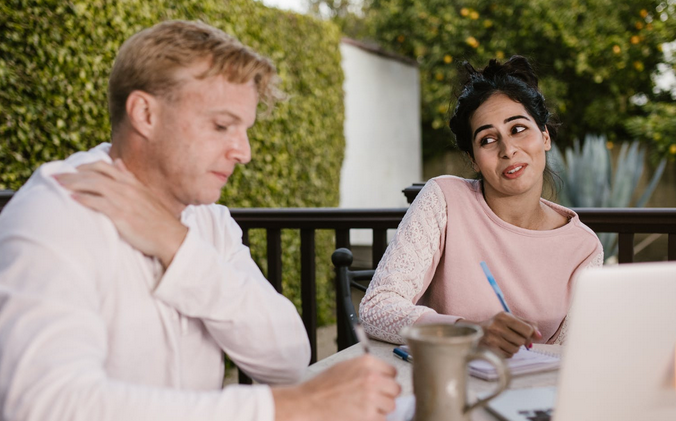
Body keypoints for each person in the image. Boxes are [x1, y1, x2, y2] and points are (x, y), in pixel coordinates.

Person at [0, 20, 399, 421]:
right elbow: (41, 406)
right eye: (222, 125)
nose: (243, 152)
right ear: (145, 113)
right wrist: (290, 407)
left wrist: (179, 247)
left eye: (245, 130)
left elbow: (289, 357)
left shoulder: (207, 219)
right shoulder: (54, 213)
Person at [360, 56, 603, 358]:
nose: (508, 150)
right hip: (443, 384)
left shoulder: (584, 248)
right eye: (488, 139)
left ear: (544, 137)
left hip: (533, 396)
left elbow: (572, 354)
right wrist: (470, 332)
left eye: (518, 129)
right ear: (474, 159)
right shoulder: (444, 199)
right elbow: (376, 308)